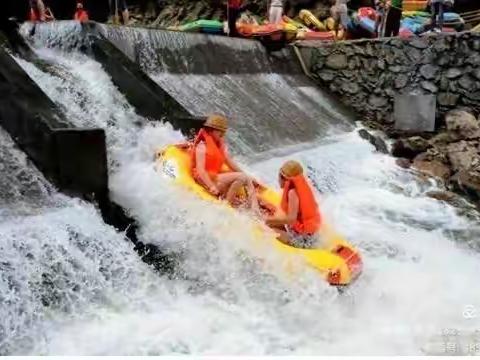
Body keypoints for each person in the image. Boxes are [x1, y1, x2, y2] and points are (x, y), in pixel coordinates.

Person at [190, 114, 260, 211]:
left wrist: (249, 176)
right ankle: (229, 205)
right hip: (206, 180)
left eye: (223, 132)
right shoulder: (202, 147)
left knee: (245, 177)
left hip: (217, 178)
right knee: (242, 177)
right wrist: (211, 186)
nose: (222, 134)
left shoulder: (220, 145)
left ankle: (253, 208)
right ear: (212, 130)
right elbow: (200, 170)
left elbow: (230, 163)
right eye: (220, 131)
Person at [264, 160, 321, 248]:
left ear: (283, 177)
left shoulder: (292, 193)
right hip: (310, 236)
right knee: (273, 223)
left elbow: (291, 219)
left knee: (267, 228)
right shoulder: (302, 187)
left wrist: (268, 220)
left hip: (303, 240)